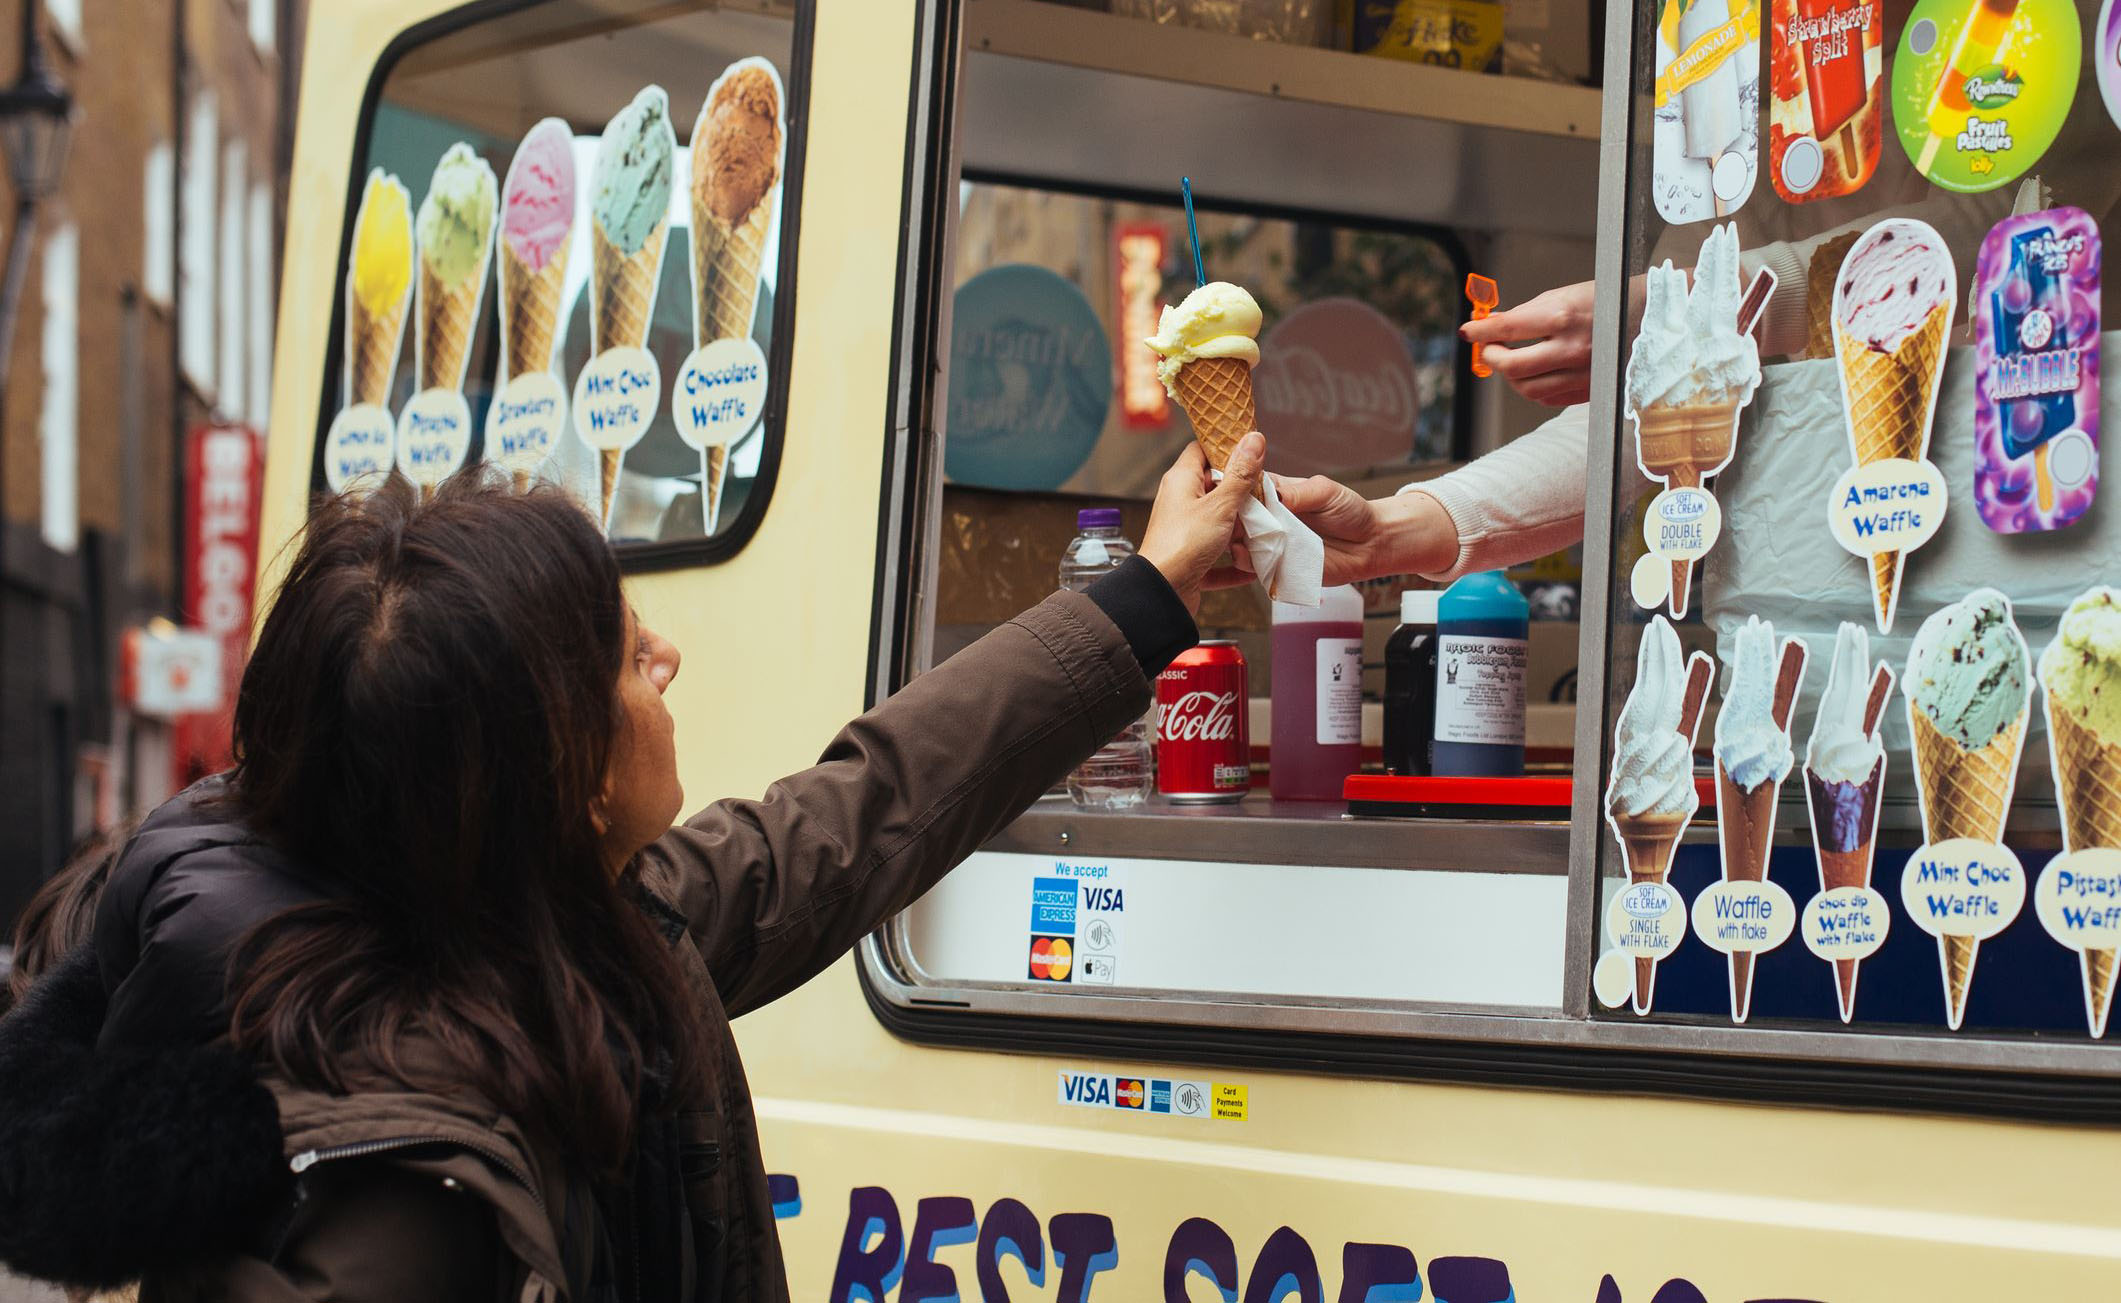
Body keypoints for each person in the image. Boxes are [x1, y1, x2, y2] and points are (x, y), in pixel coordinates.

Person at [0, 433, 1266, 1303]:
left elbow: (855, 812)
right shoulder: (400, 1194)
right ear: (562, 773)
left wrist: (1144, 596)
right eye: (623, 653)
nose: (666, 657)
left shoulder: (555, 929)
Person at [1257, 0, 2119, 592]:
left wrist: (1704, 310)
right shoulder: (1753, 76)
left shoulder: (2051, 34)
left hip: (2034, 579)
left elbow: (1995, 229)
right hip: (1797, 624)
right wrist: (1412, 525)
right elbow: (1655, 405)